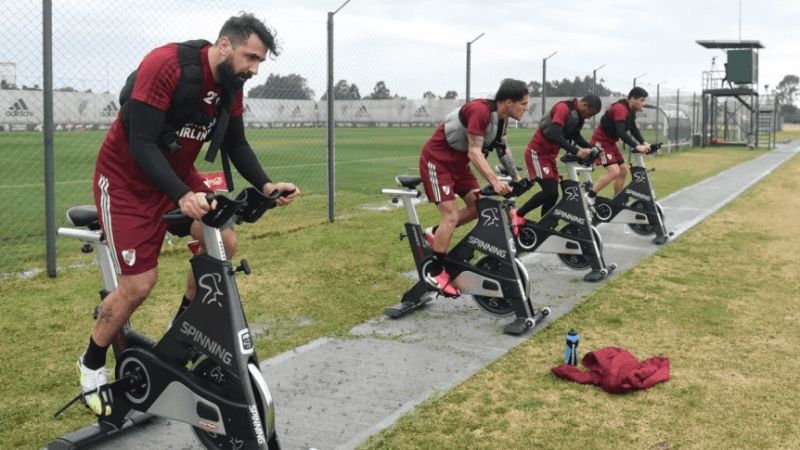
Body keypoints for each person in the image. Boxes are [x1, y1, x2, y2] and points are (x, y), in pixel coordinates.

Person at [77, 13, 300, 416]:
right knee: (139, 284)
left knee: (223, 241)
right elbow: (142, 143)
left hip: (178, 177)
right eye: (251, 58)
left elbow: (238, 145)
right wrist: (182, 195)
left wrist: (267, 186)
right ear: (225, 44)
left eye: (260, 63)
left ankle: (178, 335)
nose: (253, 69)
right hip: (125, 181)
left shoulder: (231, 87)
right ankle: (91, 363)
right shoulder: (167, 65)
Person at [418, 79, 529, 297]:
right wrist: (495, 181)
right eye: (523, 103)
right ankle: (435, 271)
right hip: (437, 162)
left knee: (480, 206)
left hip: (458, 165)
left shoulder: (502, 119)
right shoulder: (481, 111)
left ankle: (433, 233)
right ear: (508, 101)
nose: (526, 108)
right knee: (449, 216)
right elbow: (474, 152)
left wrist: (516, 177)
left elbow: (502, 149)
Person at [512, 94, 601, 224]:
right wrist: (576, 151)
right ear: (585, 105)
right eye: (590, 114)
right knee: (550, 191)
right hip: (537, 153)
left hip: (550, 156)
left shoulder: (578, 116)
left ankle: (545, 225)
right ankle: (517, 214)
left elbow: (575, 136)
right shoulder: (563, 108)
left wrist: (591, 148)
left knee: (553, 194)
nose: (589, 117)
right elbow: (553, 132)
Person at [587, 87, 651, 201]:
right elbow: (620, 132)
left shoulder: (631, 111)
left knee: (623, 171)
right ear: (632, 99)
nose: (643, 103)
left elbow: (633, 128)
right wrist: (636, 146)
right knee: (614, 172)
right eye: (641, 100)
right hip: (600, 143)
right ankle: (589, 197)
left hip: (610, 143)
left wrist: (643, 142)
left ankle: (617, 200)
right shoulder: (620, 108)